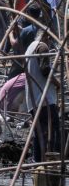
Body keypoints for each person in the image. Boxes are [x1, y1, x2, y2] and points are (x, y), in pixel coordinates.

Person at [25, 31, 60, 163]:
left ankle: (38, 162)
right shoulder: (42, 46)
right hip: (44, 98)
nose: (50, 43)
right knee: (54, 129)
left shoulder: (30, 47)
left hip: (33, 99)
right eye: (49, 39)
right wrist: (58, 84)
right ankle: (53, 161)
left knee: (38, 133)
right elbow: (45, 69)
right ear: (46, 37)